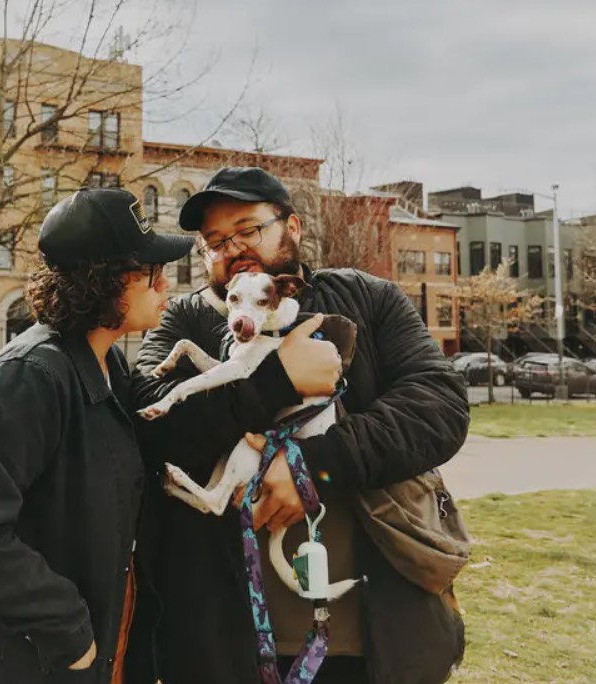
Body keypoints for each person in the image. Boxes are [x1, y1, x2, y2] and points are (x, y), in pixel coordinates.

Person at [133, 167, 471, 684]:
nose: (233, 248)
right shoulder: (186, 321)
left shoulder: (367, 299)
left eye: (249, 229)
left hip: (367, 638)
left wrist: (311, 469)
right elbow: (152, 426)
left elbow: (439, 406)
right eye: (216, 241)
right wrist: (276, 382)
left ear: (292, 227)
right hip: (221, 644)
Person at [0, 188, 193, 684]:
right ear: (108, 279)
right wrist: (72, 633)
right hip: (15, 665)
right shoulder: (31, 375)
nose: (166, 286)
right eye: (153, 272)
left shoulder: (107, 361)